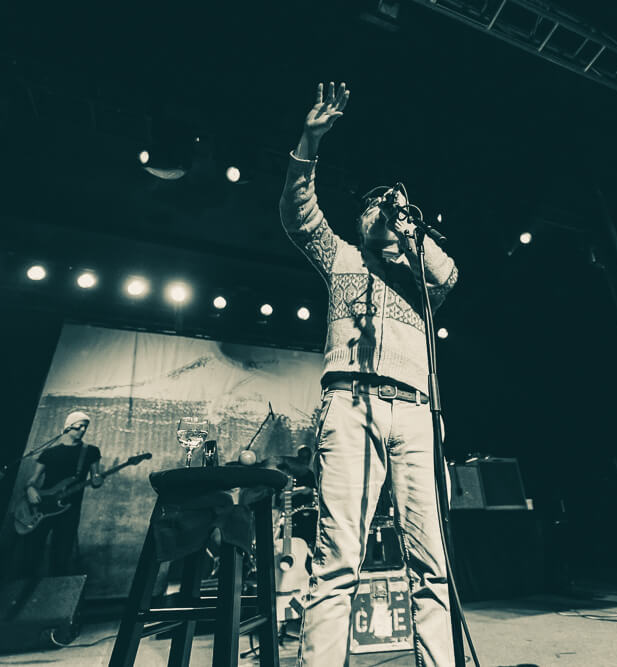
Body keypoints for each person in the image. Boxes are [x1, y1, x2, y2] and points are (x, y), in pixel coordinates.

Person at [279, 81, 459, 666]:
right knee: (337, 562)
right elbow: (298, 216)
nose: (381, 210)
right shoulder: (342, 257)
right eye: (372, 206)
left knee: (433, 564)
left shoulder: (421, 276)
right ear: (360, 222)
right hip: (351, 404)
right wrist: (309, 142)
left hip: (416, 411)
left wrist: (411, 227)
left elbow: (450, 273)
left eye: (390, 207)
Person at [19, 410, 103, 577]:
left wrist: (98, 479)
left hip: (70, 510)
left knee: (61, 555)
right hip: (42, 507)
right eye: (80, 426)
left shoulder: (91, 451)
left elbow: (96, 480)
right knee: (31, 552)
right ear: (68, 426)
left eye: (85, 427)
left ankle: (55, 589)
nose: (83, 430)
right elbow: (32, 480)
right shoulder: (49, 453)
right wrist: (30, 490)